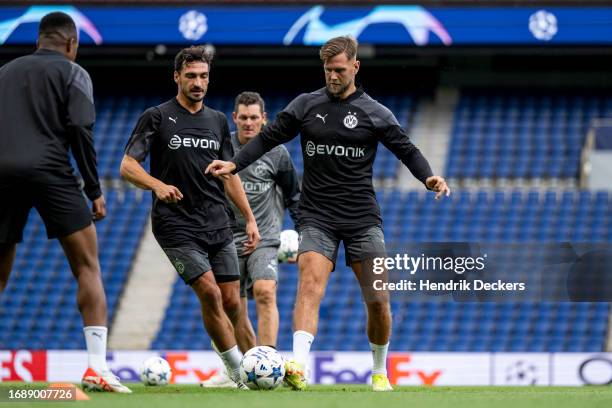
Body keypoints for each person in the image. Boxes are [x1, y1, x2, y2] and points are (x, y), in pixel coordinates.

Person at [206, 36, 450, 392]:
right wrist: (234, 162)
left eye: (339, 69)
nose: (333, 76)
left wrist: (428, 176)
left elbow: (406, 149)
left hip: (362, 218)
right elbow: (268, 138)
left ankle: (379, 370)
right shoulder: (306, 105)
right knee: (309, 285)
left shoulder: (375, 112)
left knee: (378, 299)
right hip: (317, 215)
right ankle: (298, 367)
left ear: (355, 67)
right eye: (327, 70)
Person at [0, 12, 131, 393]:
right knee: (87, 265)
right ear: (72, 44)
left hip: (2, 172)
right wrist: (94, 189)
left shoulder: (5, 72)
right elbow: (79, 129)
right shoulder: (75, 74)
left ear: (39, 40)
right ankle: (95, 368)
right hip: (50, 170)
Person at [119, 46, 259, 389]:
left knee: (232, 302)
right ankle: (239, 372)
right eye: (192, 76)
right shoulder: (157, 116)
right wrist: (157, 185)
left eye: (204, 76)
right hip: (175, 224)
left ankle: (233, 370)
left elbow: (229, 174)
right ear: (177, 77)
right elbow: (127, 166)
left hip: (217, 222)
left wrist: (249, 218)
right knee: (210, 294)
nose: (198, 83)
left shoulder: (216, 121)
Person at [201, 92, 300, 388]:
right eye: (243, 117)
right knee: (234, 307)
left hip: (266, 238)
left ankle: (269, 363)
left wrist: (304, 235)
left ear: (264, 119)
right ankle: (245, 370)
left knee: (266, 291)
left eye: (254, 117)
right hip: (227, 239)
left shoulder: (278, 153)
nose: (248, 122)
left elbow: (294, 196)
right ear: (234, 118)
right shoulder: (222, 147)